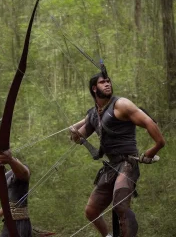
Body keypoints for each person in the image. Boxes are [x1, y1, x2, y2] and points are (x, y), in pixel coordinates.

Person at [70, 69, 165, 237]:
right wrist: (74, 131)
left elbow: (148, 122)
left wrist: (156, 147)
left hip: (128, 163)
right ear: (94, 88)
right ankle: (108, 236)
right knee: (91, 211)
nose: (107, 84)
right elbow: (79, 138)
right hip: (111, 166)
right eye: (102, 82)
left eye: (109, 81)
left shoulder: (121, 104)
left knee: (120, 206)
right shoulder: (93, 114)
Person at [0, 148, 32, 237]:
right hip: (10, 223)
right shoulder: (8, 174)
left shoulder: (21, 169)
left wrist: (11, 160)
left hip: (20, 224)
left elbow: (24, 173)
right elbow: (11, 204)